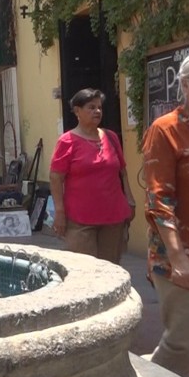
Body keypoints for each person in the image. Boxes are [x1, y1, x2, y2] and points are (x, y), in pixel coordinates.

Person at [142, 53, 189, 377]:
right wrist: (179, 258)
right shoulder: (165, 130)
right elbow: (159, 199)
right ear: (186, 85)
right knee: (182, 342)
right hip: (178, 253)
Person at [49, 88, 136, 264]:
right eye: (91, 107)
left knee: (110, 270)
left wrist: (130, 200)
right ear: (77, 111)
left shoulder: (111, 137)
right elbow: (56, 178)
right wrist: (59, 211)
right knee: (84, 270)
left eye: (99, 107)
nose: (97, 111)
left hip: (113, 217)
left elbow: (123, 172)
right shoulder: (67, 141)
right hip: (80, 220)